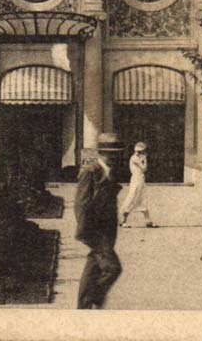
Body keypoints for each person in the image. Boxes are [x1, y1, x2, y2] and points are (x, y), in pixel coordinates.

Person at [75, 133, 124, 310]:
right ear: (102, 153)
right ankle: (93, 298)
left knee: (93, 266)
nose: (115, 157)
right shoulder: (90, 172)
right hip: (95, 230)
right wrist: (84, 230)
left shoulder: (110, 172)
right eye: (111, 154)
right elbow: (81, 203)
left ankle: (84, 306)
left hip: (108, 230)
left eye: (117, 153)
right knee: (113, 268)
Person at [119, 142, 155, 228]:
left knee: (142, 199)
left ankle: (148, 221)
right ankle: (123, 221)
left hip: (140, 179)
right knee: (133, 198)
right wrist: (145, 160)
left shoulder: (137, 158)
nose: (144, 153)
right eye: (143, 151)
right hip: (137, 180)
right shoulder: (135, 158)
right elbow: (144, 168)